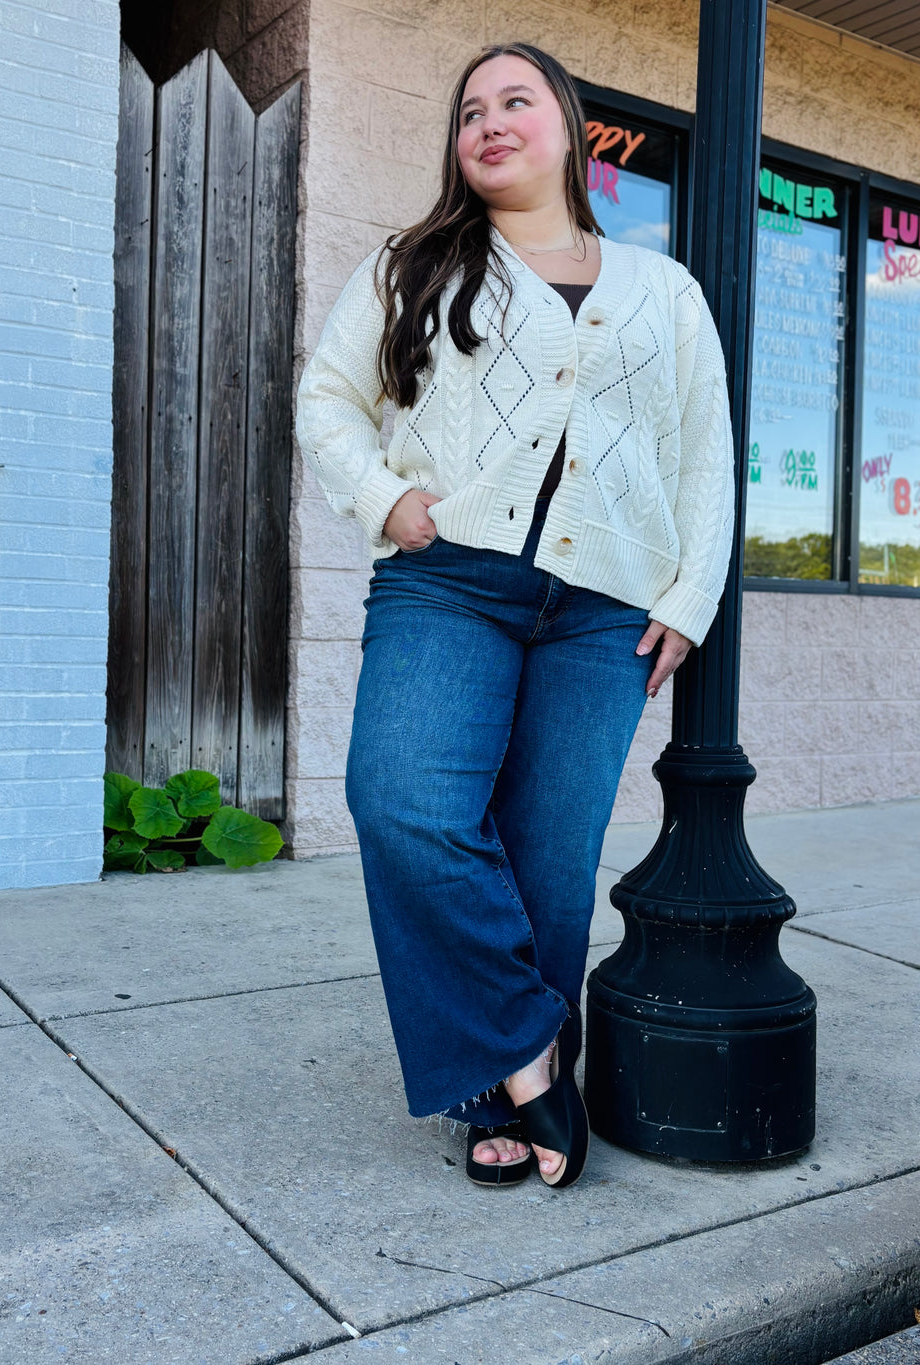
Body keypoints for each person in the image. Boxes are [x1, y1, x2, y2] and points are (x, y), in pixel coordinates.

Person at [295, 42, 734, 1189]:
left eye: (514, 101)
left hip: (604, 608)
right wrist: (386, 499)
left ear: (572, 129)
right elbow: (329, 397)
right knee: (402, 801)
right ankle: (530, 1050)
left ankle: (500, 1095)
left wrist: (689, 595)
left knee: (547, 856)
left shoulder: (663, 289)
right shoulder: (416, 264)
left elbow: (703, 454)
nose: (488, 121)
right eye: (469, 110)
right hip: (448, 581)